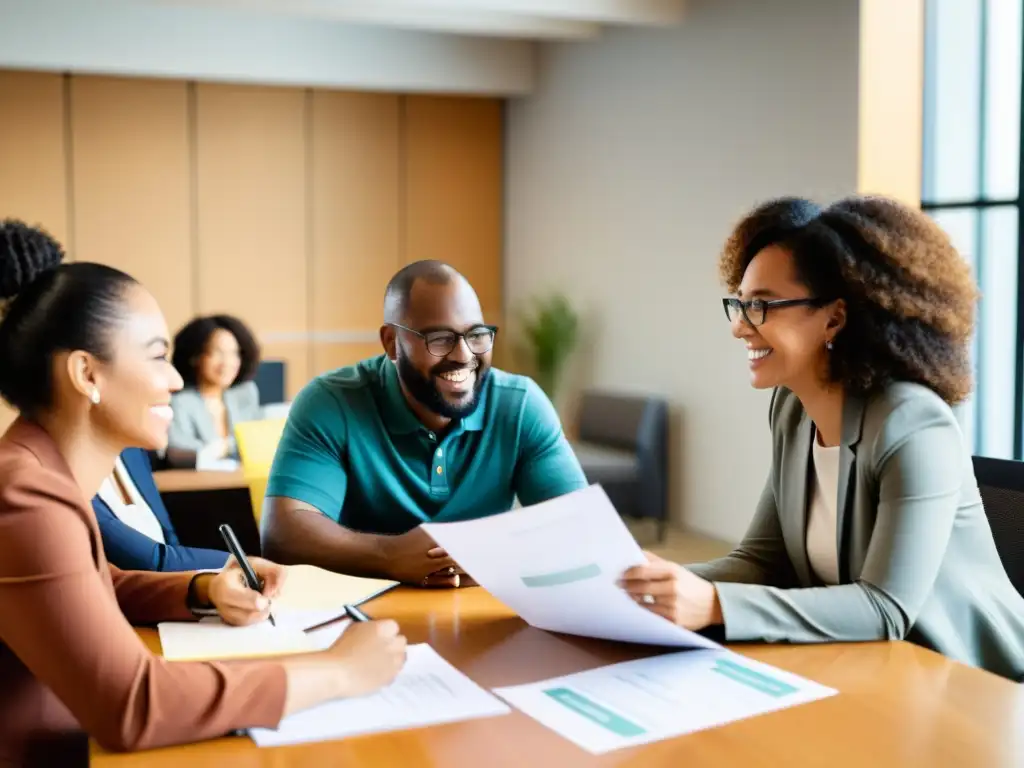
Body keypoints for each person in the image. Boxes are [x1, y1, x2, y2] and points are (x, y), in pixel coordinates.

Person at [0, 219, 407, 764]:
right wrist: (337, 671)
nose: (173, 380)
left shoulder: (37, 470)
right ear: (87, 375)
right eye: (156, 356)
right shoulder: (25, 495)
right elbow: (131, 705)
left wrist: (202, 590)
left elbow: (92, 588)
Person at [619, 196, 1024, 682]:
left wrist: (712, 603)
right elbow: (760, 561)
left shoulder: (914, 422)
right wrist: (655, 583)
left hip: (971, 687)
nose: (738, 326)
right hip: (866, 671)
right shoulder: (792, 409)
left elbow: (884, 608)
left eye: (761, 305)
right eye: (740, 302)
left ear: (834, 317)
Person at [261, 260, 588, 587]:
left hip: (482, 608)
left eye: (476, 335)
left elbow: (578, 529)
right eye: (440, 338)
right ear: (391, 343)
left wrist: (489, 558)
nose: (463, 355)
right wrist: (389, 555)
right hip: (365, 611)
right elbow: (283, 534)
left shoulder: (519, 405)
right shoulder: (330, 402)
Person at [92, 447, 230, 571]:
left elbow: (170, 541)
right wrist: (239, 564)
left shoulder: (132, 452)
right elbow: (152, 561)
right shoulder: (78, 481)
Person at [165, 314, 263, 468]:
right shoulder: (179, 402)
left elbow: (256, 445)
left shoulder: (245, 393)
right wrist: (226, 447)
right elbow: (178, 451)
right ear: (195, 357)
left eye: (234, 353)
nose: (227, 362)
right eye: (217, 352)